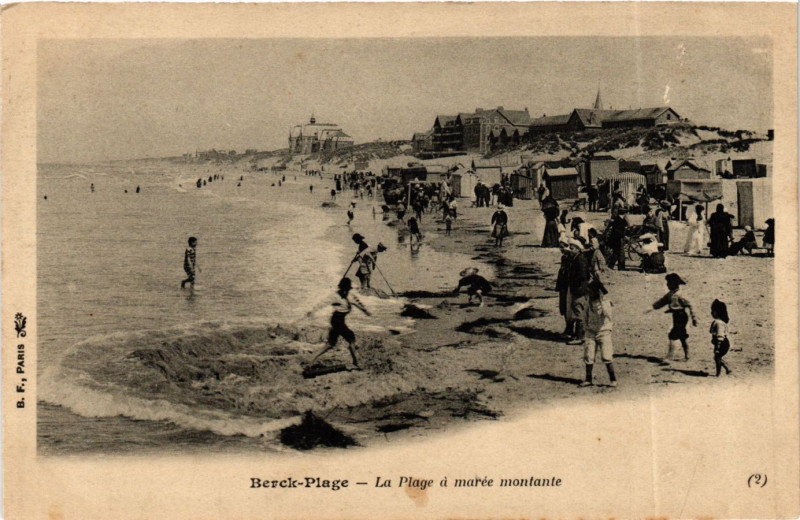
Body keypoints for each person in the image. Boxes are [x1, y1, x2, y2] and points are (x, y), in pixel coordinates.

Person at [307, 277, 370, 370]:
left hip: (340, 320)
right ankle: (356, 362)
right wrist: (312, 311)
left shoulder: (350, 295)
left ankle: (311, 359)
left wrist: (365, 310)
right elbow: (322, 303)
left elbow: (358, 302)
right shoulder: (335, 296)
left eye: (347, 289)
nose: (346, 291)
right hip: (337, 320)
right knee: (351, 338)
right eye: (344, 289)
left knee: (330, 344)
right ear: (341, 288)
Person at [651, 273, 697, 362]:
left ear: (673, 284)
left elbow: (690, 305)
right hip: (677, 316)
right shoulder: (671, 293)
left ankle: (669, 357)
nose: (667, 285)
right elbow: (663, 301)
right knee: (682, 336)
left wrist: (694, 318)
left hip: (681, 316)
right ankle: (687, 355)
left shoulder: (680, 294)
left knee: (673, 335)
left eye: (668, 283)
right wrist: (653, 307)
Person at [580, 280, 616, 387]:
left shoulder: (605, 303)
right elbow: (584, 317)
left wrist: (603, 300)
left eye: (590, 292)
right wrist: (586, 329)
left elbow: (608, 316)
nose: (588, 294)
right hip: (590, 332)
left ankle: (613, 379)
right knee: (588, 355)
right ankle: (588, 379)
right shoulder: (588, 303)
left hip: (604, 332)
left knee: (606, 356)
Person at [567, 238, 591, 345]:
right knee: (579, 312)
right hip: (580, 289)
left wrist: (576, 285)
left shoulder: (579, 260)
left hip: (579, 290)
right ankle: (580, 335)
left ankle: (580, 337)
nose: (570, 250)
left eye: (572, 248)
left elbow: (582, 276)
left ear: (577, 249)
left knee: (579, 312)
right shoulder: (578, 258)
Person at [710, 299, 732, 377]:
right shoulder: (720, 322)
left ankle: (718, 373)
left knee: (717, 357)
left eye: (713, 311)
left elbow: (720, 335)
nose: (711, 313)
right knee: (717, 358)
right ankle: (727, 369)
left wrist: (718, 346)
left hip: (722, 343)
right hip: (722, 342)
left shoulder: (719, 323)